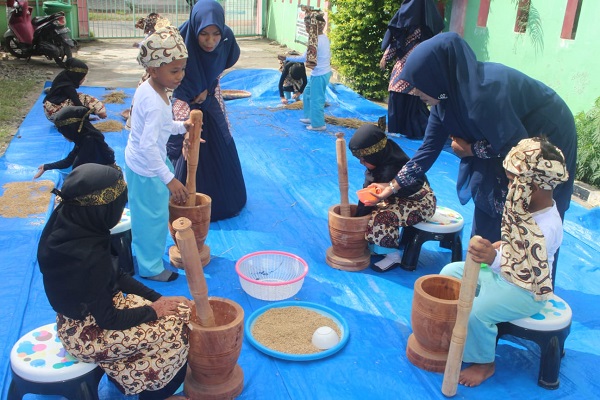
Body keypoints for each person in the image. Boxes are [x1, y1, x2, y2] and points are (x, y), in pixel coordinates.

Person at [366, 32, 577, 250]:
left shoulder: (485, 94)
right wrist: (392, 186)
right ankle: (483, 268)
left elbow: (516, 146)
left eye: (421, 83)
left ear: (438, 75)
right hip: (504, 141)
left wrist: (471, 149)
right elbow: (428, 149)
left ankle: (524, 275)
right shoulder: (444, 102)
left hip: (545, 134)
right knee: (490, 196)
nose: (415, 91)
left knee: (532, 211)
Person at [37, 163, 192, 400]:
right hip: (86, 333)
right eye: (117, 206)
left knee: (176, 310)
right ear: (101, 209)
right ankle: (157, 394)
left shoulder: (72, 220)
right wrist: (155, 311)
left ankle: (130, 372)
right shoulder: (86, 257)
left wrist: (157, 298)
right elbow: (108, 319)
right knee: (176, 330)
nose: (120, 211)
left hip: (94, 308)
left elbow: (116, 275)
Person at [439, 137, 568, 387]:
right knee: (449, 273)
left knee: (477, 312)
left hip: (524, 291)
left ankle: (484, 363)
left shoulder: (547, 226)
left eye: (512, 181)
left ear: (536, 185)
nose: (509, 188)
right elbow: (513, 243)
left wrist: (492, 257)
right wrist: (497, 248)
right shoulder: (525, 205)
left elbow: (525, 269)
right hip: (501, 276)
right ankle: (454, 333)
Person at [125, 25, 195, 282]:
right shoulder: (154, 101)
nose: (180, 76)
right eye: (174, 70)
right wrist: (169, 178)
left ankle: (149, 256)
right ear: (153, 69)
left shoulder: (154, 88)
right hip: (146, 168)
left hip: (150, 160)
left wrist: (181, 126)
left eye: (182, 69)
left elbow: (162, 128)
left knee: (153, 214)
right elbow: (147, 146)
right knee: (151, 218)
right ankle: (150, 268)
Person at [169, 0, 247, 222]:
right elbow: (171, 81)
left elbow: (219, 66)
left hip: (209, 98)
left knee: (220, 141)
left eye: (215, 34)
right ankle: (185, 203)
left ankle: (222, 202)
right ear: (195, 29)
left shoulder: (226, 39)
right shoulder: (178, 43)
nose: (211, 41)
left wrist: (208, 89)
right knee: (188, 148)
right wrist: (187, 120)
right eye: (204, 34)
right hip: (183, 100)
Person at [349, 124, 436, 272]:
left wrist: (354, 224)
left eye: (364, 160)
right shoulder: (387, 156)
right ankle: (377, 246)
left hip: (422, 204)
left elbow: (367, 203)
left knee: (381, 216)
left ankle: (392, 256)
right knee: (375, 209)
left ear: (374, 154)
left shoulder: (390, 169)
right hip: (405, 199)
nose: (361, 163)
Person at [379, 0, 443, 139]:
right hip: (418, 65)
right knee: (411, 97)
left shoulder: (407, 23)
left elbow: (396, 41)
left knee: (399, 92)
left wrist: (386, 56)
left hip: (409, 64)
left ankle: (401, 128)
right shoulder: (430, 23)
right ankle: (411, 129)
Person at [282, 9, 332, 131]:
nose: (305, 28)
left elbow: (304, 58)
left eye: (307, 25)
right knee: (308, 94)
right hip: (320, 73)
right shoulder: (321, 38)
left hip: (320, 75)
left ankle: (318, 124)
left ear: (313, 26)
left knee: (317, 100)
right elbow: (307, 56)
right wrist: (288, 58)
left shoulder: (315, 41)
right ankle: (310, 117)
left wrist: (287, 58)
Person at [33, 106, 116, 179]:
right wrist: (46, 167)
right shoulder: (83, 139)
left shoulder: (89, 142)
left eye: (64, 132)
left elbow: (78, 174)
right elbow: (68, 161)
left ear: (71, 130)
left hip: (105, 179)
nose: (63, 136)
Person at [43, 58, 107, 121]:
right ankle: (99, 112)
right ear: (76, 76)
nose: (84, 79)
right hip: (56, 114)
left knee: (77, 97)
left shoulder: (63, 77)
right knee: (84, 98)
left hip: (50, 111)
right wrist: (96, 113)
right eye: (83, 77)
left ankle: (83, 118)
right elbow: (79, 105)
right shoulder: (68, 87)